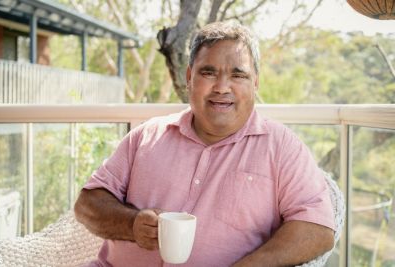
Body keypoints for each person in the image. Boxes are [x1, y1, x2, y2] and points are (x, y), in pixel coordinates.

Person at [74, 21, 335, 267]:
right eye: (208, 72)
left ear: (255, 82)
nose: (222, 87)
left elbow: (318, 229)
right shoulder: (146, 136)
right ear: (189, 77)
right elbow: (88, 203)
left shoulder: (281, 147)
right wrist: (131, 225)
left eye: (238, 75)